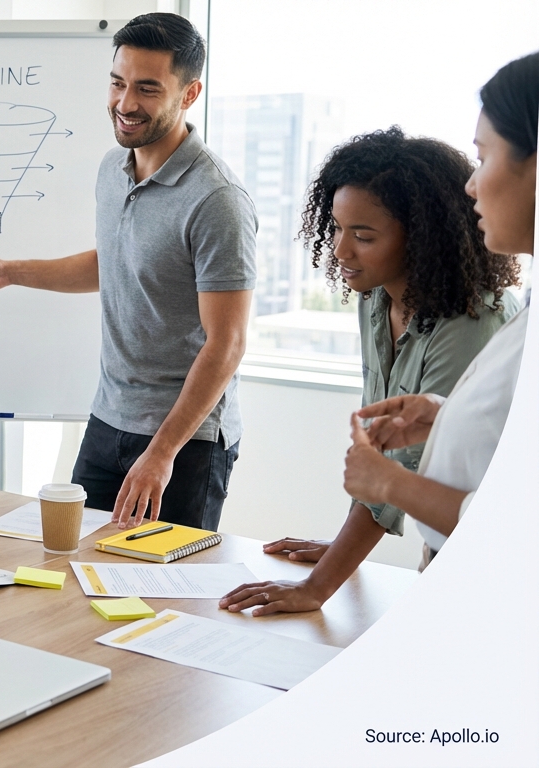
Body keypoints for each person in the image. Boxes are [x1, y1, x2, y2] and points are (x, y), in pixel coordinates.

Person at [222, 51, 537, 615]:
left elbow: (404, 479)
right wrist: (442, 413)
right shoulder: (375, 300)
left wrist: (320, 584)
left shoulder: (473, 319)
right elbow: (395, 454)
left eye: (363, 236)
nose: (341, 251)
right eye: (338, 231)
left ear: (420, 237)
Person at [0, 13, 256, 532]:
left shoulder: (217, 199)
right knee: (72, 567)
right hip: (108, 419)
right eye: (118, 82)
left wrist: (162, 453)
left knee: (161, 595)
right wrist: (10, 271)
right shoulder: (114, 167)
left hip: (185, 441)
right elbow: (113, 262)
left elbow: (227, 341)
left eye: (148, 89)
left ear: (190, 93)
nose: (126, 103)